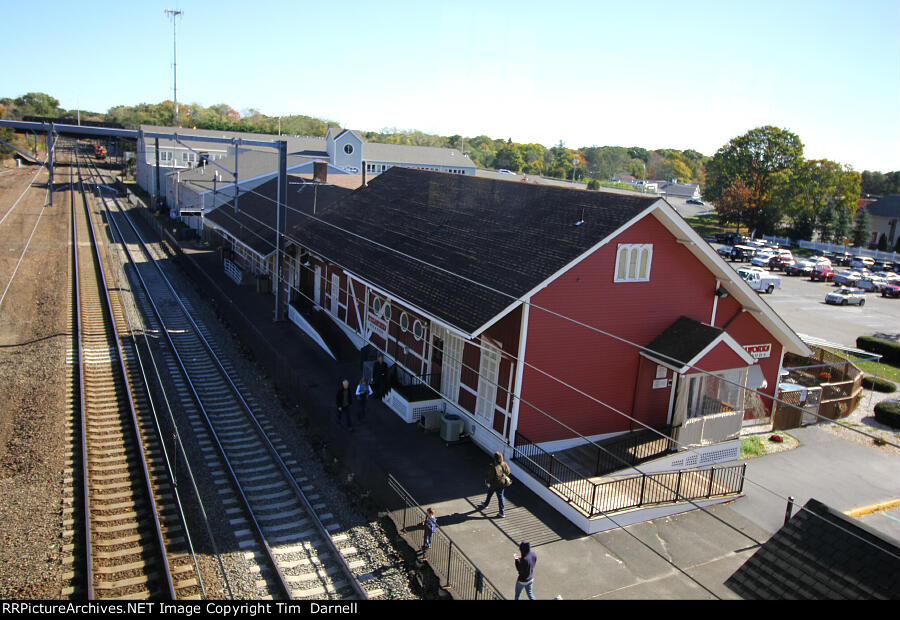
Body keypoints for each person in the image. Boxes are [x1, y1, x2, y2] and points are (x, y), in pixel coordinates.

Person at [478, 451, 511, 517]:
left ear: (495, 458)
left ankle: (488, 506)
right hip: (502, 483)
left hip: (494, 484)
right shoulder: (504, 464)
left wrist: (487, 481)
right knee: (499, 496)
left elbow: (491, 476)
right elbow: (508, 472)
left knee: (491, 493)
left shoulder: (494, 466)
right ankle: (500, 511)